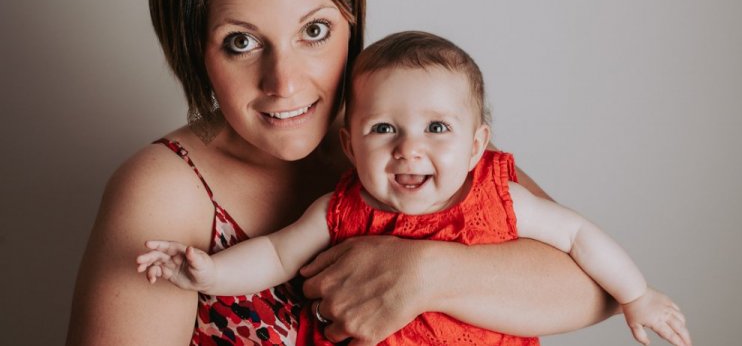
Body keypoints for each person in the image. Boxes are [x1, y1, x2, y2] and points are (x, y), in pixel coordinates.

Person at [66, 0, 616, 345]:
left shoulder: (407, 141)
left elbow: (595, 289)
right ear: (194, 52)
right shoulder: (165, 191)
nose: (285, 82)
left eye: (314, 31)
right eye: (241, 42)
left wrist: (424, 273)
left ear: (352, 22)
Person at [136, 31, 691, 346]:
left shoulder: (495, 198)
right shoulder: (337, 209)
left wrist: (636, 295)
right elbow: (276, 255)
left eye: (437, 129)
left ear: (477, 146)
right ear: (350, 146)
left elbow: (577, 237)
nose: (409, 148)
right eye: (384, 130)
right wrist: (209, 273)